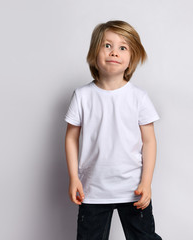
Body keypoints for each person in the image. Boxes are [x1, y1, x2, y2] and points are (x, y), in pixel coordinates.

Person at [64, 20, 162, 240]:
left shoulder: (139, 97)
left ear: (131, 58)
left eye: (122, 47)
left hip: (133, 189)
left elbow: (149, 142)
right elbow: (71, 138)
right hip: (93, 190)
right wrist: (73, 177)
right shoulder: (82, 96)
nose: (114, 52)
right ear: (94, 53)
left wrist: (146, 182)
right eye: (107, 45)